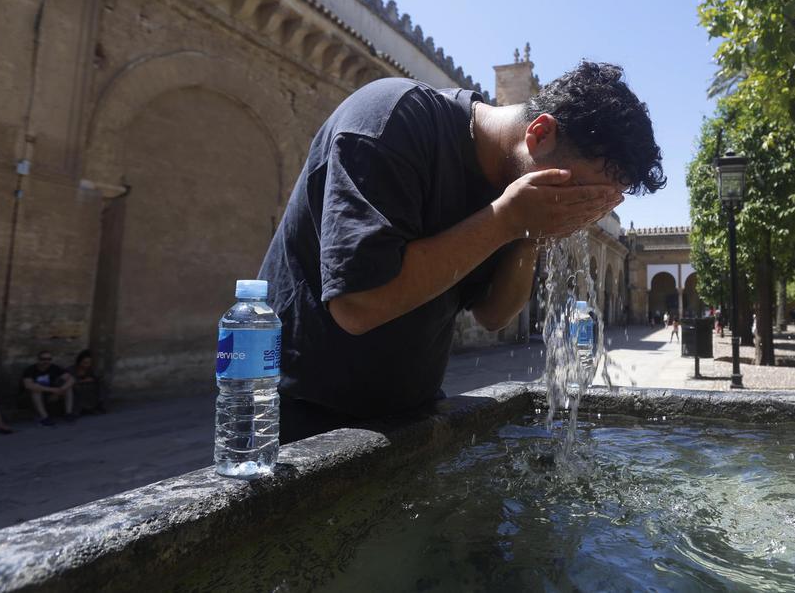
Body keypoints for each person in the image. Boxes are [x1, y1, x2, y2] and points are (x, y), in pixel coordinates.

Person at [259, 62, 664, 443]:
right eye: (575, 191)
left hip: (412, 412)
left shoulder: (511, 185)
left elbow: (495, 314)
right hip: (302, 418)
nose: (578, 209)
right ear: (540, 134)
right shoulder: (392, 121)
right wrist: (504, 219)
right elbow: (357, 305)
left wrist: (530, 230)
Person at [21, 351, 75, 425]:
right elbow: (28, 385)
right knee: (36, 389)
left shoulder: (54, 368)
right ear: (38, 359)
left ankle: (68, 413)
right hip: (32, 397)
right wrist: (52, 390)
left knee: (68, 388)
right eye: (43, 359)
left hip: (51, 394)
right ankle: (45, 417)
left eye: (49, 359)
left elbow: (71, 379)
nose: (46, 361)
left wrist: (61, 389)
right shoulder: (30, 370)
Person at [71, 350, 105, 415]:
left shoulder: (90, 369)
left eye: (89, 363)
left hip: (89, 388)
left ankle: (99, 405)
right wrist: (82, 381)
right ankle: (79, 410)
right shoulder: (72, 369)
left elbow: (97, 377)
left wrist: (93, 379)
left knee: (100, 384)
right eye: (85, 362)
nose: (87, 365)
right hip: (76, 386)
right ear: (79, 362)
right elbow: (69, 381)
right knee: (78, 388)